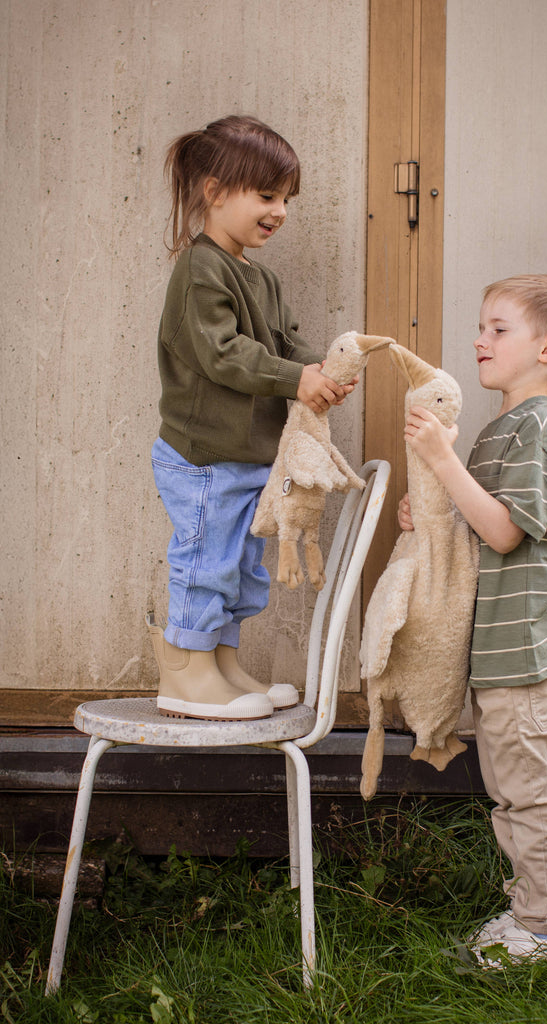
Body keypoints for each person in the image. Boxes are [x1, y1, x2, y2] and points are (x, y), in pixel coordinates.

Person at [399, 274, 547, 966]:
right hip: (498, 649)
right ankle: (528, 914)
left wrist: (441, 458)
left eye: (498, 329)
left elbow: (508, 532)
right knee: (509, 792)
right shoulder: (502, 427)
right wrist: (430, 508)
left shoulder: (538, 427)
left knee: (525, 793)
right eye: (481, 327)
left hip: (522, 647)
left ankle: (543, 929)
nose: (479, 340)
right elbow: (476, 523)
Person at [149, 114, 355, 721]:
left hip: (243, 458)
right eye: (267, 195)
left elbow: (282, 344)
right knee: (205, 559)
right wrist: (297, 380)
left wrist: (321, 368)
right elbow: (223, 353)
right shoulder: (200, 270)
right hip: (204, 457)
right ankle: (185, 673)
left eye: (286, 198)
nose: (281, 210)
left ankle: (222, 664)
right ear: (214, 192)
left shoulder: (260, 278)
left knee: (238, 568)